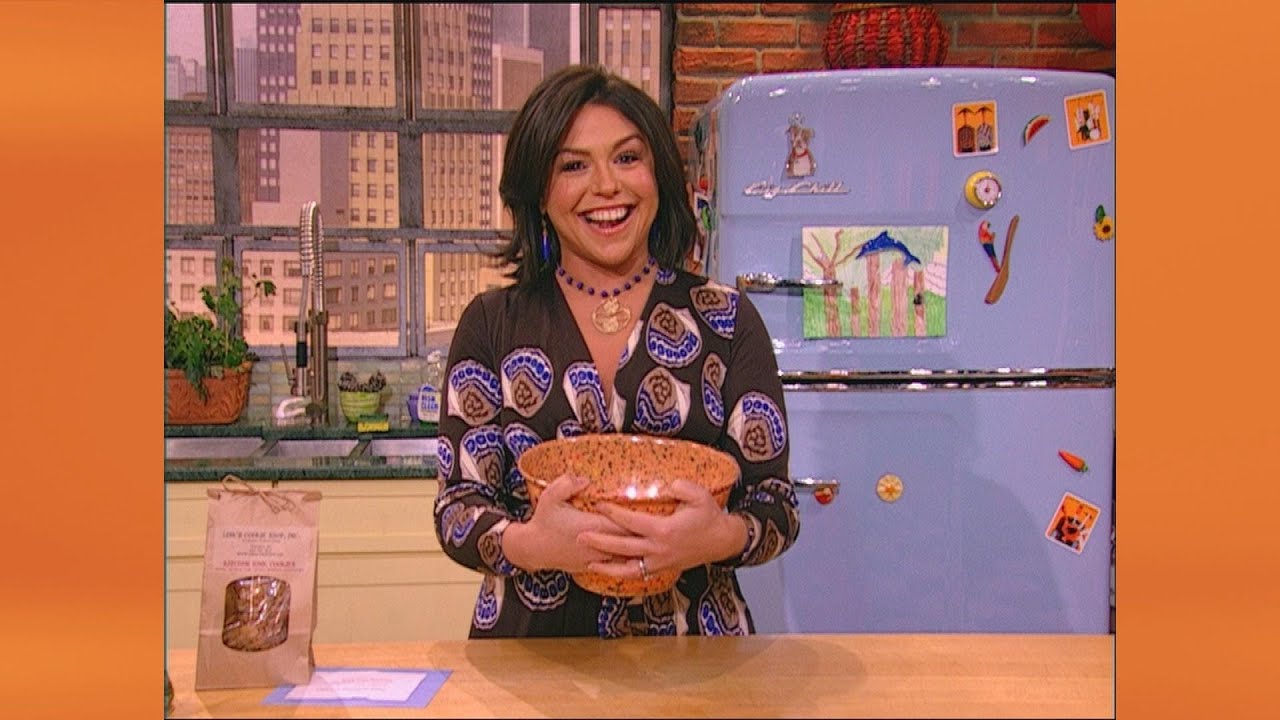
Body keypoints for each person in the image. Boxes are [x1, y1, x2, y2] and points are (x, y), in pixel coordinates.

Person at [433, 64, 799, 638]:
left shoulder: (727, 320)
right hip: (534, 661)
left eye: (627, 158)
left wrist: (719, 537)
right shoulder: (491, 325)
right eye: (573, 165)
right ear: (539, 193)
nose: (607, 186)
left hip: (695, 660)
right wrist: (532, 544)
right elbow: (456, 508)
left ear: (658, 174)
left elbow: (776, 506)